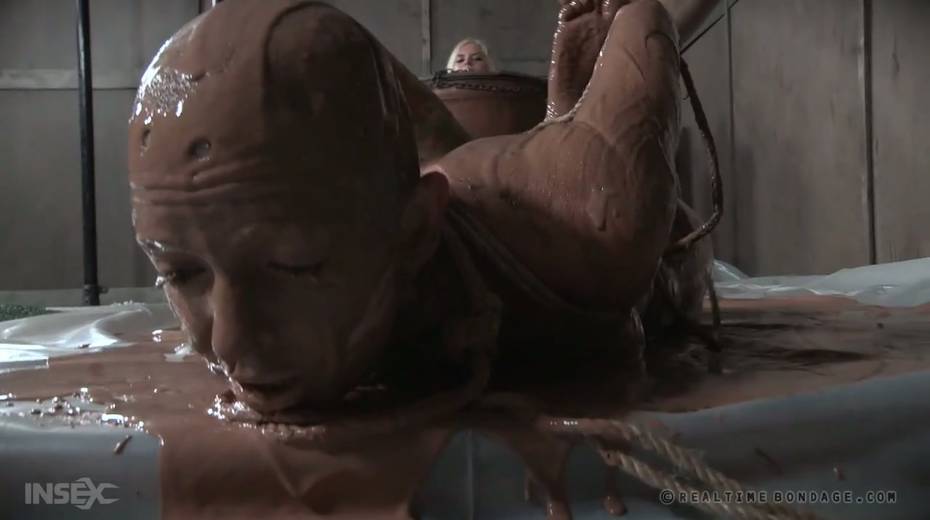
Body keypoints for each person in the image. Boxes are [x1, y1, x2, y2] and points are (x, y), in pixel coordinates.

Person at [128, 0, 719, 419]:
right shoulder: (299, 261)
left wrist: (591, 68)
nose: (229, 345)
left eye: (292, 268)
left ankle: (561, 118)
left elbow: (647, 17)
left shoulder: (599, 227)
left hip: (558, 206)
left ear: (413, 234)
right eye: (180, 272)